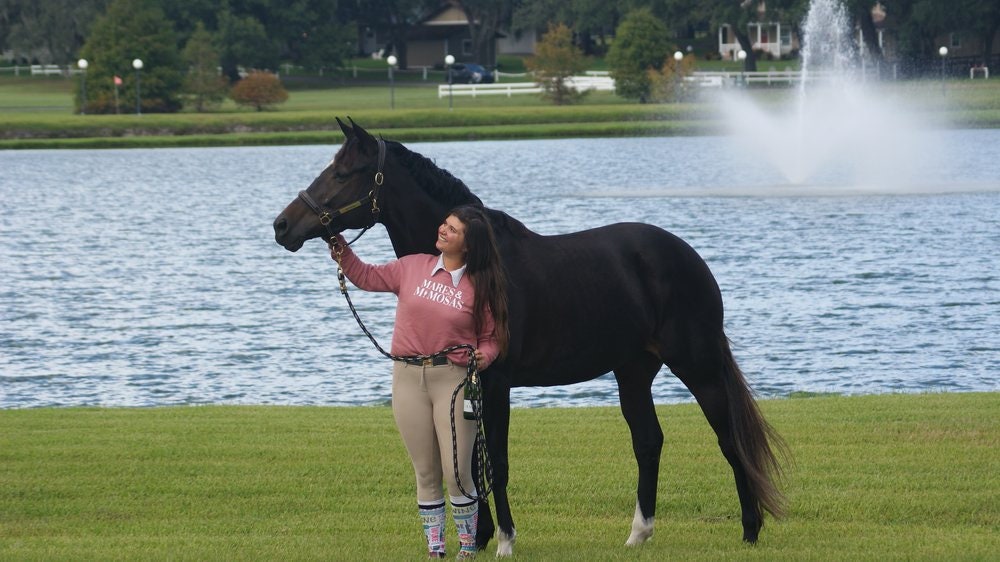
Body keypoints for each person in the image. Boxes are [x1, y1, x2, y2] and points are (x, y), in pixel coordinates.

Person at [328, 204, 509, 559]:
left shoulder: (479, 286)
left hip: (454, 380)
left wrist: (485, 356)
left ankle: (467, 548)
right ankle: (436, 551)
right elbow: (366, 276)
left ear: (469, 245)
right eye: (445, 224)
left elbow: (492, 338)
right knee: (425, 471)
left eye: (453, 230)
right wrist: (341, 250)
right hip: (407, 378)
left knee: (457, 471)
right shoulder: (412, 267)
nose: (443, 230)